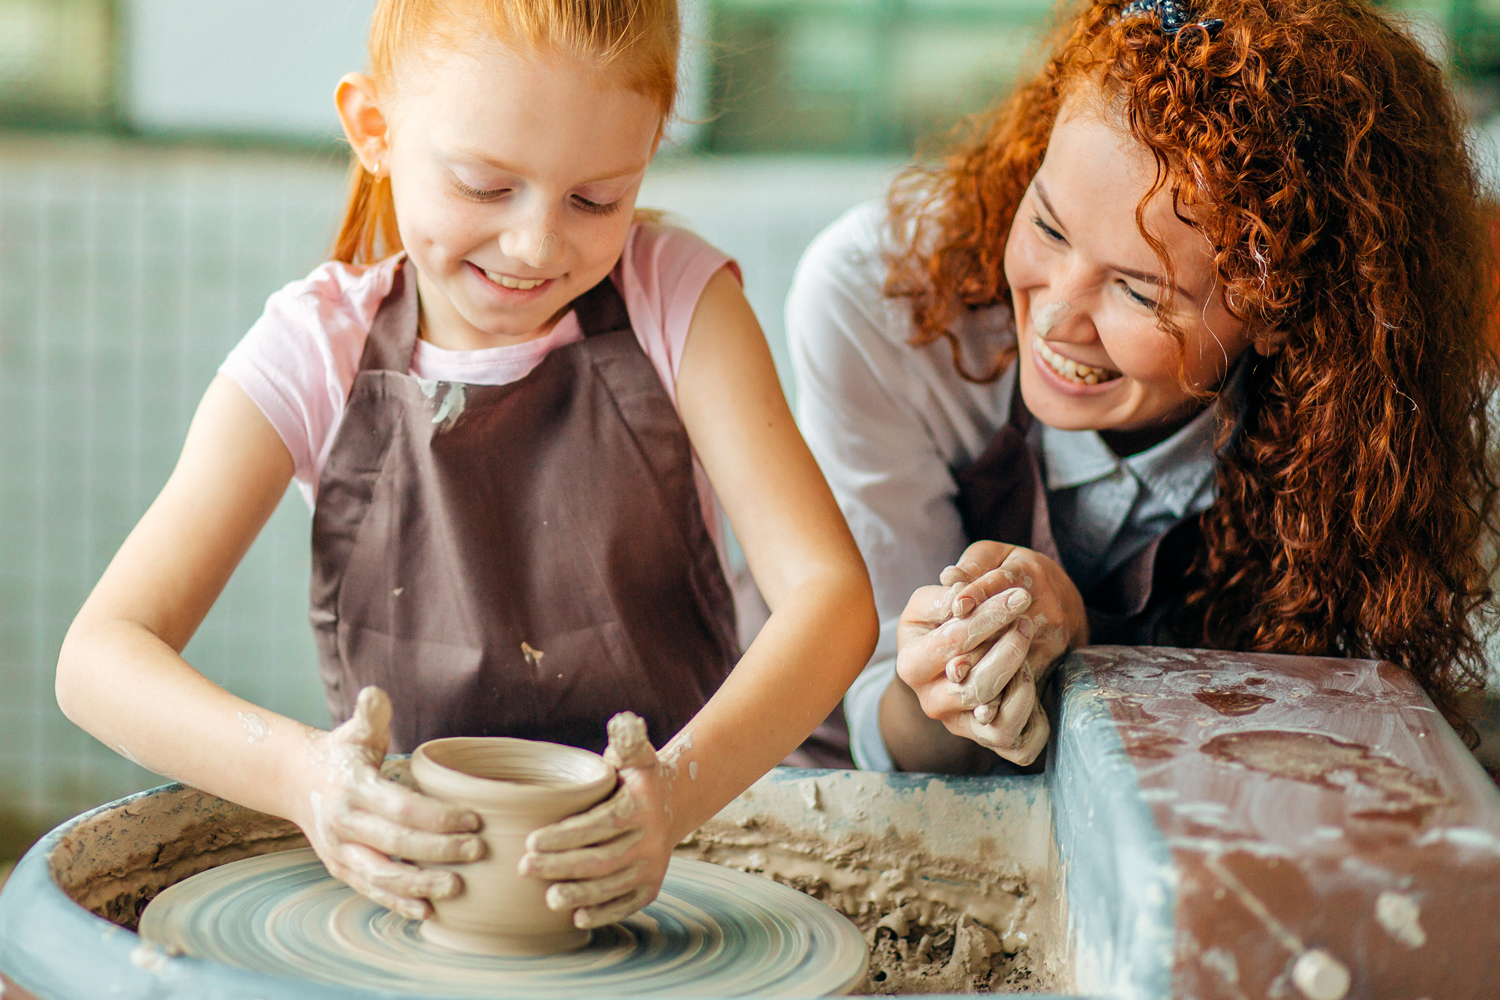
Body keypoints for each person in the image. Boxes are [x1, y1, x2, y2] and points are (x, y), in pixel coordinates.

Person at [55, 0, 876, 929]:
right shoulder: (314, 351)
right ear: (375, 130)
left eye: (596, 198)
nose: (535, 244)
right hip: (436, 897)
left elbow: (833, 600)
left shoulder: (673, 298)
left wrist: (673, 799)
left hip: (683, 868)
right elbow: (98, 660)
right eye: (487, 187)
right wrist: (303, 775)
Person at [788, 0, 1497, 774]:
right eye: (1050, 229)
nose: (1056, 315)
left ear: (1280, 310)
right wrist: (959, 673)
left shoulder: (1378, 438)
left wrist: (1083, 647)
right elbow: (878, 719)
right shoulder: (877, 304)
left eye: (1139, 292)